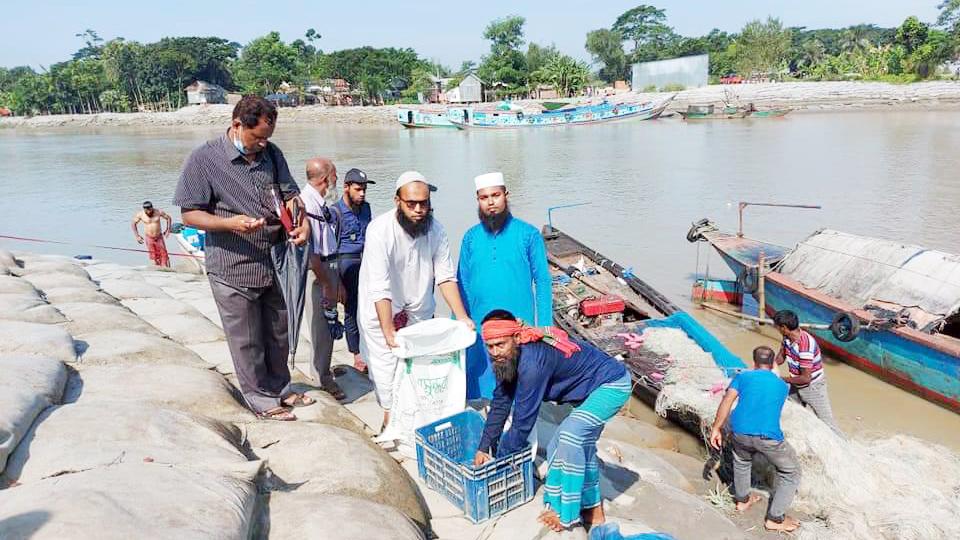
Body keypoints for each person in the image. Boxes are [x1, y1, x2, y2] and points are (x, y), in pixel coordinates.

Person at [173, 95, 311, 421]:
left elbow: (292, 196)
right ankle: (257, 396)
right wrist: (230, 224)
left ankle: (280, 386)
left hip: (272, 259)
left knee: (278, 329)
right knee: (246, 337)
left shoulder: (271, 155)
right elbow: (190, 215)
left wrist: (301, 223)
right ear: (237, 125)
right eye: (257, 137)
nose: (262, 143)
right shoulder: (204, 160)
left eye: (267, 137)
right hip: (232, 263)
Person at [474, 310, 631, 532]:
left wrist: (499, 464)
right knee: (575, 444)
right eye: (490, 347)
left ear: (517, 338)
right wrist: (484, 447)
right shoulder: (507, 359)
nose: (495, 352)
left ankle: (567, 515)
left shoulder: (532, 364)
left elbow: (522, 423)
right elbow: (501, 402)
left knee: (568, 438)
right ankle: (594, 512)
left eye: (500, 344)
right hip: (587, 391)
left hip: (611, 385)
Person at [357, 170, 474, 430]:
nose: (419, 210)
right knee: (386, 368)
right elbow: (380, 286)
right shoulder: (379, 231)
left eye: (424, 204)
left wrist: (463, 317)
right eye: (412, 204)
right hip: (381, 312)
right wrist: (388, 330)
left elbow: (445, 277)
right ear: (397, 201)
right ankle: (389, 420)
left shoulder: (436, 230)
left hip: (419, 312)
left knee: (418, 367)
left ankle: (415, 419)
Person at [457, 172, 552, 400]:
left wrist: (545, 328)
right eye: (484, 197)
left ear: (506, 196)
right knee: (481, 382)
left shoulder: (528, 234)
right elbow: (462, 282)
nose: (490, 202)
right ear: (477, 200)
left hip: (519, 324)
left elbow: (542, 281)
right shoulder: (470, 237)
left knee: (522, 382)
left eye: (496, 195)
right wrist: (459, 323)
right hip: (481, 324)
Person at [709, 346, 802, 533]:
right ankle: (775, 519)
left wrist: (716, 428)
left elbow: (727, 401)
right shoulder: (782, 385)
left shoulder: (742, 377)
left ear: (753, 362)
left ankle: (742, 501)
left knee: (742, 461)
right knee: (791, 472)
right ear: (773, 363)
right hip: (769, 437)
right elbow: (772, 381)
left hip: (739, 433)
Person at [300, 157, 346, 401]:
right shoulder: (306, 203)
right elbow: (311, 252)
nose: (336, 180)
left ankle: (321, 370)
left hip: (327, 268)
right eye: (334, 175)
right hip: (319, 272)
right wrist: (328, 282)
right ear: (324, 179)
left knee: (324, 325)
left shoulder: (317, 203)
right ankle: (322, 379)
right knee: (322, 327)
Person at [773, 309, 844, 437]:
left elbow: (806, 379)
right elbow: (781, 357)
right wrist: (768, 366)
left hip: (813, 386)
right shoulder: (787, 338)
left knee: (828, 424)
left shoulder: (805, 345)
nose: (776, 329)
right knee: (790, 413)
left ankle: (845, 448)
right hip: (796, 382)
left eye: (777, 326)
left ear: (784, 327)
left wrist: (781, 379)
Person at [333, 168, 375, 373]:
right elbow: (330, 249)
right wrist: (336, 281)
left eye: (365, 189)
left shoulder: (366, 208)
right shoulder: (335, 212)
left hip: (367, 262)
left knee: (371, 308)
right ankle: (357, 354)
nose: (362, 194)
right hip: (346, 264)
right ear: (346, 187)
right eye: (358, 189)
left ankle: (370, 349)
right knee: (351, 309)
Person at [131, 201, 172, 267]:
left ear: (152, 208)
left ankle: (167, 269)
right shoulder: (140, 214)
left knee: (164, 254)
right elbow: (133, 223)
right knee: (153, 256)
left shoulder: (158, 212)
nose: (149, 212)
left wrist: (168, 230)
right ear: (144, 209)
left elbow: (168, 218)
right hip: (149, 238)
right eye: (146, 211)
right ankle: (157, 269)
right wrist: (137, 236)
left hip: (159, 237)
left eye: (150, 210)